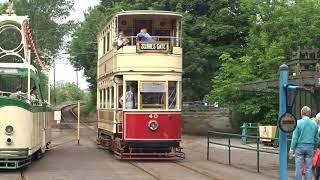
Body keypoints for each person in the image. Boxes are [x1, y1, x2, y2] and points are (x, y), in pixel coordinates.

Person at [290, 106, 318, 180]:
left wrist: (292, 148)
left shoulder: (298, 123)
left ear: (301, 113)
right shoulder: (314, 124)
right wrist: (314, 148)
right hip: (310, 147)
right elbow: (316, 138)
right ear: (310, 113)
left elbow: (295, 137)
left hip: (300, 147)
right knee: (309, 168)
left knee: (298, 167)